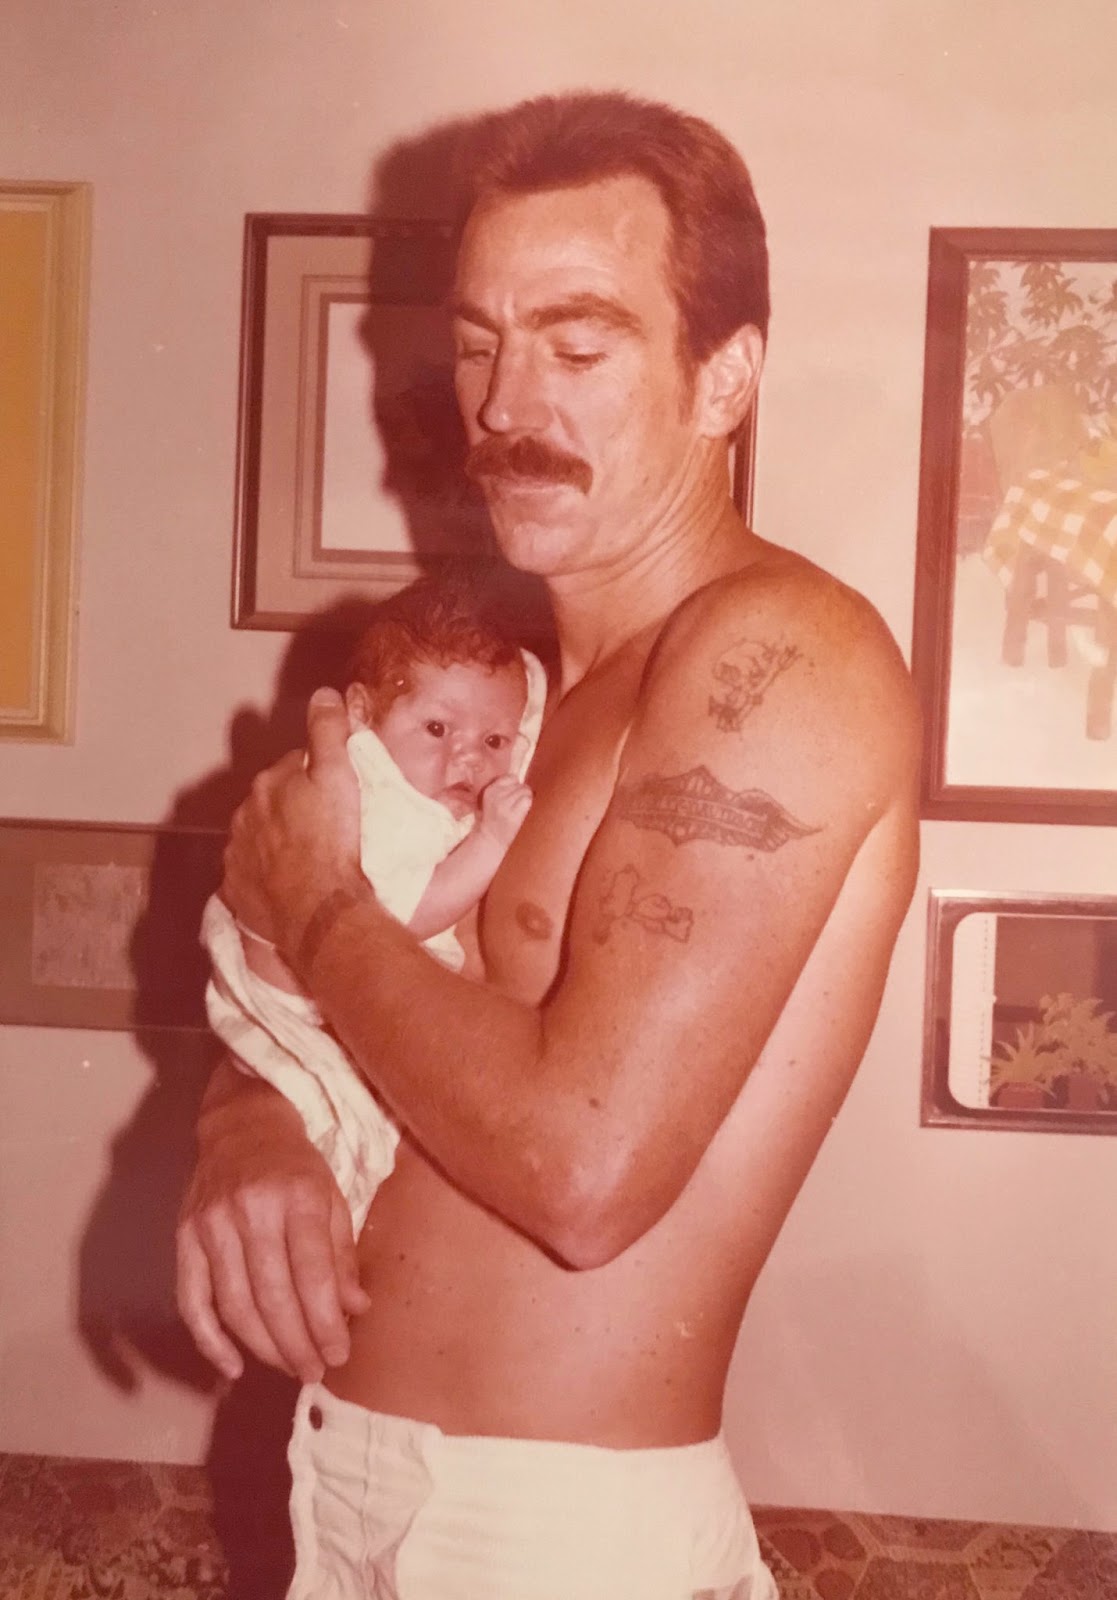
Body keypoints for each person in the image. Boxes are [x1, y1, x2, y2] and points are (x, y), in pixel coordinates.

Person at [177, 89, 921, 1599]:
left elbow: (585, 1167)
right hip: (349, 1483)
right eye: (477, 345)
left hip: (549, 1529)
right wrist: (249, 1129)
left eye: (577, 350)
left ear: (726, 378)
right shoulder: (498, 693)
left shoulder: (776, 653)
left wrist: (315, 909)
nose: (508, 405)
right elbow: (365, 989)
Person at [200, 574, 546, 1233]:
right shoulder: (377, 798)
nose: (467, 758)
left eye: (494, 742)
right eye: (437, 728)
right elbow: (396, 922)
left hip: (323, 999)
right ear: (361, 714)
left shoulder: (420, 779)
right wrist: (493, 839)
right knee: (339, 1148)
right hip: (304, 1007)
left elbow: (521, 699)